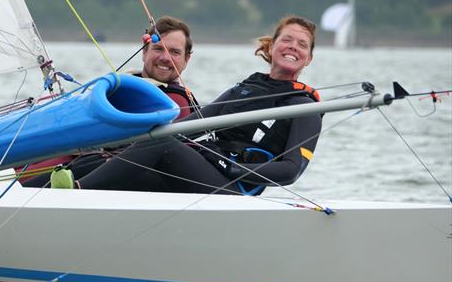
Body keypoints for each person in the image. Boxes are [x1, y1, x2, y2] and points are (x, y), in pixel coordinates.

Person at [55, 15, 321, 195]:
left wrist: (233, 167)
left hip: (234, 186)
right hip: (207, 173)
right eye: (287, 40)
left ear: (308, 58)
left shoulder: (304, 107)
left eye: (302, 45)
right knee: (107, 162)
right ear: (272, 46)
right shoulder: (244, 89)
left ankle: (73, 195)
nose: (293, 47)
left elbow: (290, 171)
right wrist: (123, 148)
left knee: (164, 145)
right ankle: (32, 192)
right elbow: (185, 129)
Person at [21, 15, 200, 188]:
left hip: (107, 172)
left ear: (186, 59)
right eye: (158, 49)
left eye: (175, 52)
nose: (165, 58)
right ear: (144, 52)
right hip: (66, 154)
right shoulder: (123, 83)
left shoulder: (177, 102)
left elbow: (159, 158)